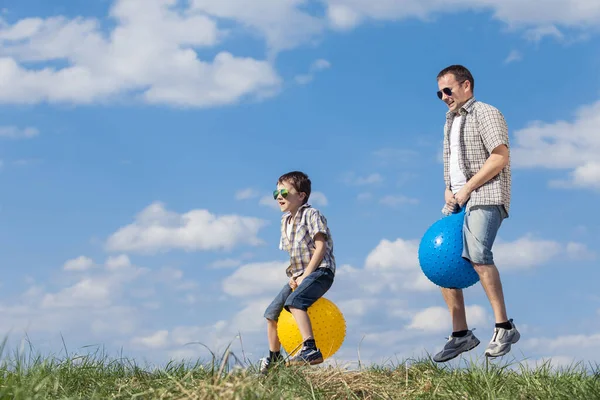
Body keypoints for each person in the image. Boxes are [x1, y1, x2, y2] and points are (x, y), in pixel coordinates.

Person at [432, 65, 520, 363]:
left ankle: (504, 326)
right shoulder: (450, 121)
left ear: (466, 85)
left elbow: (500, 156)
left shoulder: (486, 112)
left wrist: (467, 188)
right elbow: (454, 162)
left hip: (485, 195)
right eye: (439, 92)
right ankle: (461, 334)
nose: (444, 97)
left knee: (478, 255)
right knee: (441, 261)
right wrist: (449, 188)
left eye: (448, 90)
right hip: (457, 200)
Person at [259, 171, 336, 374]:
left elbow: (320, 248)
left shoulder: (312, 214)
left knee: (295, 302)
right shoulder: (285, 222)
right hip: (300, 275)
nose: (279, 197)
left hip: (320, 272)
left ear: (301, 195)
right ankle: (275, 361)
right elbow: (294, 257)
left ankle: (310, 349)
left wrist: (305, 276)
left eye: (284, 192)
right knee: (271, 314)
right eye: (276, 193)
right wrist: (294, 277)